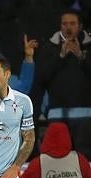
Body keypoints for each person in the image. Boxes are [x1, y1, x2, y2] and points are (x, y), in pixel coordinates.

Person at [30, 8, 91, 159]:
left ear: (80, 26)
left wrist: (81, 56)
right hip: (57, 116)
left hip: (86, 117)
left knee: (85, 161)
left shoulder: (89, 48)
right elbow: (41, 77)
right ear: (60, 26)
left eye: (72, 23)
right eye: (64, 24)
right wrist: (61, 56)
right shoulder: (49, 48)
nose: (68, 27)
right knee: (57, 159)